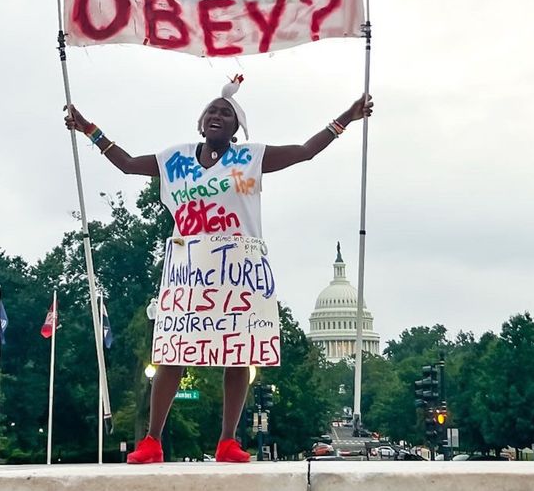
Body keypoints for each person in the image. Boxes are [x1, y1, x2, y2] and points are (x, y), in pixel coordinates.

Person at [64, 75, 373, 464]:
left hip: (238, 268)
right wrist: (88, 128)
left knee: (238, 353)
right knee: (174, 352)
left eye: (226, 113)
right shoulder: (174, 160)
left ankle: (228, 440)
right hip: (189, 267)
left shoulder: (250, 158)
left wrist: (347, 116)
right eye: (212, 111)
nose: (217, 115)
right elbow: (126, 164)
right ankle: (152, 440)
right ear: (201, 122)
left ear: (236, 128)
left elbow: (304, 152)